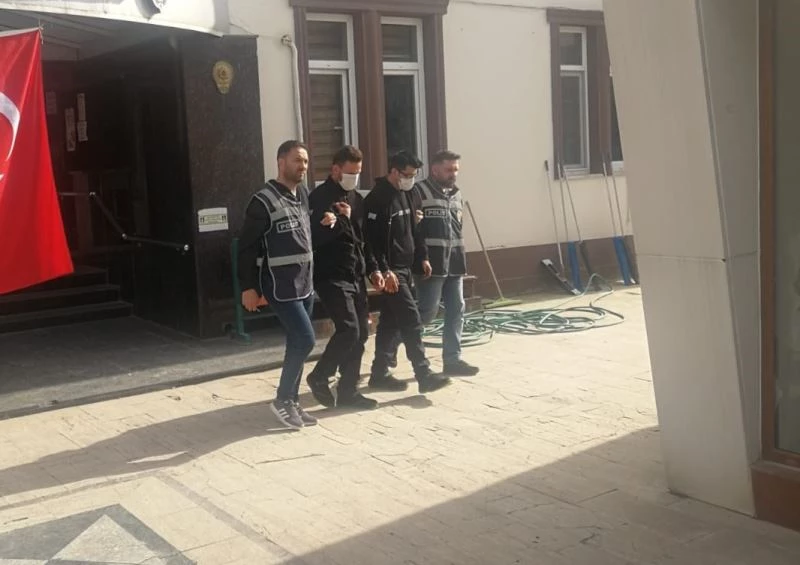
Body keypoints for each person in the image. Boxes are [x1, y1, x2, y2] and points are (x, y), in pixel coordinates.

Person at [238, 140, 330, 430]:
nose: (303, 166)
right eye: (297, 161)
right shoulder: (262, 201)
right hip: (279, 284)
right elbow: (246, 248)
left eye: (306, 161)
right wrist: (249, 288)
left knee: (296, 341)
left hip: (304, 283)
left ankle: (292, 401)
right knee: (305, 339)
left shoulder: (301, 194)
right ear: (281, 162)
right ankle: (282, 399)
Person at [364, 151, 451, 394]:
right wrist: (383, 270)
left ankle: (379, 373)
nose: (410, 179)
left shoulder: (410, 193)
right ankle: (424, 374)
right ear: (394, 171)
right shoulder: (377, 199)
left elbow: (416, 229)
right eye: (406, 175)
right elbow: (371, 241)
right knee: (411, 320)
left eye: (414, 175)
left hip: (407, 266)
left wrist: (423, 256)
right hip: (392, 271)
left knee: (390, 321)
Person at [388, 150, 480, 376]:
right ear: (435, 169)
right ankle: (389, 346)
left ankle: (452, 360)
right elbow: (411, 229)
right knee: (427, 312)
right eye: (449, 170)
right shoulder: (418, 191)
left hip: (454, 263)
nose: (453, 174)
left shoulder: (456, 194)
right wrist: (421, 258)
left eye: (456, 170)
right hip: (431, 264)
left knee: (457, 309)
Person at [305, 146, 379, 410]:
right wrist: (334, 223)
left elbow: (362, 239)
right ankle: (320, 375)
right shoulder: (319, 198)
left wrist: (373, 269)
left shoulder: (356, 199)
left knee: (361, 334)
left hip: (355, 274)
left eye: (357, 173)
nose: (354, 178)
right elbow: (314, 238)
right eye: (349, 173)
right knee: (349, 329)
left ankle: (349, 390)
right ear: (335, 169)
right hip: (331, 275)